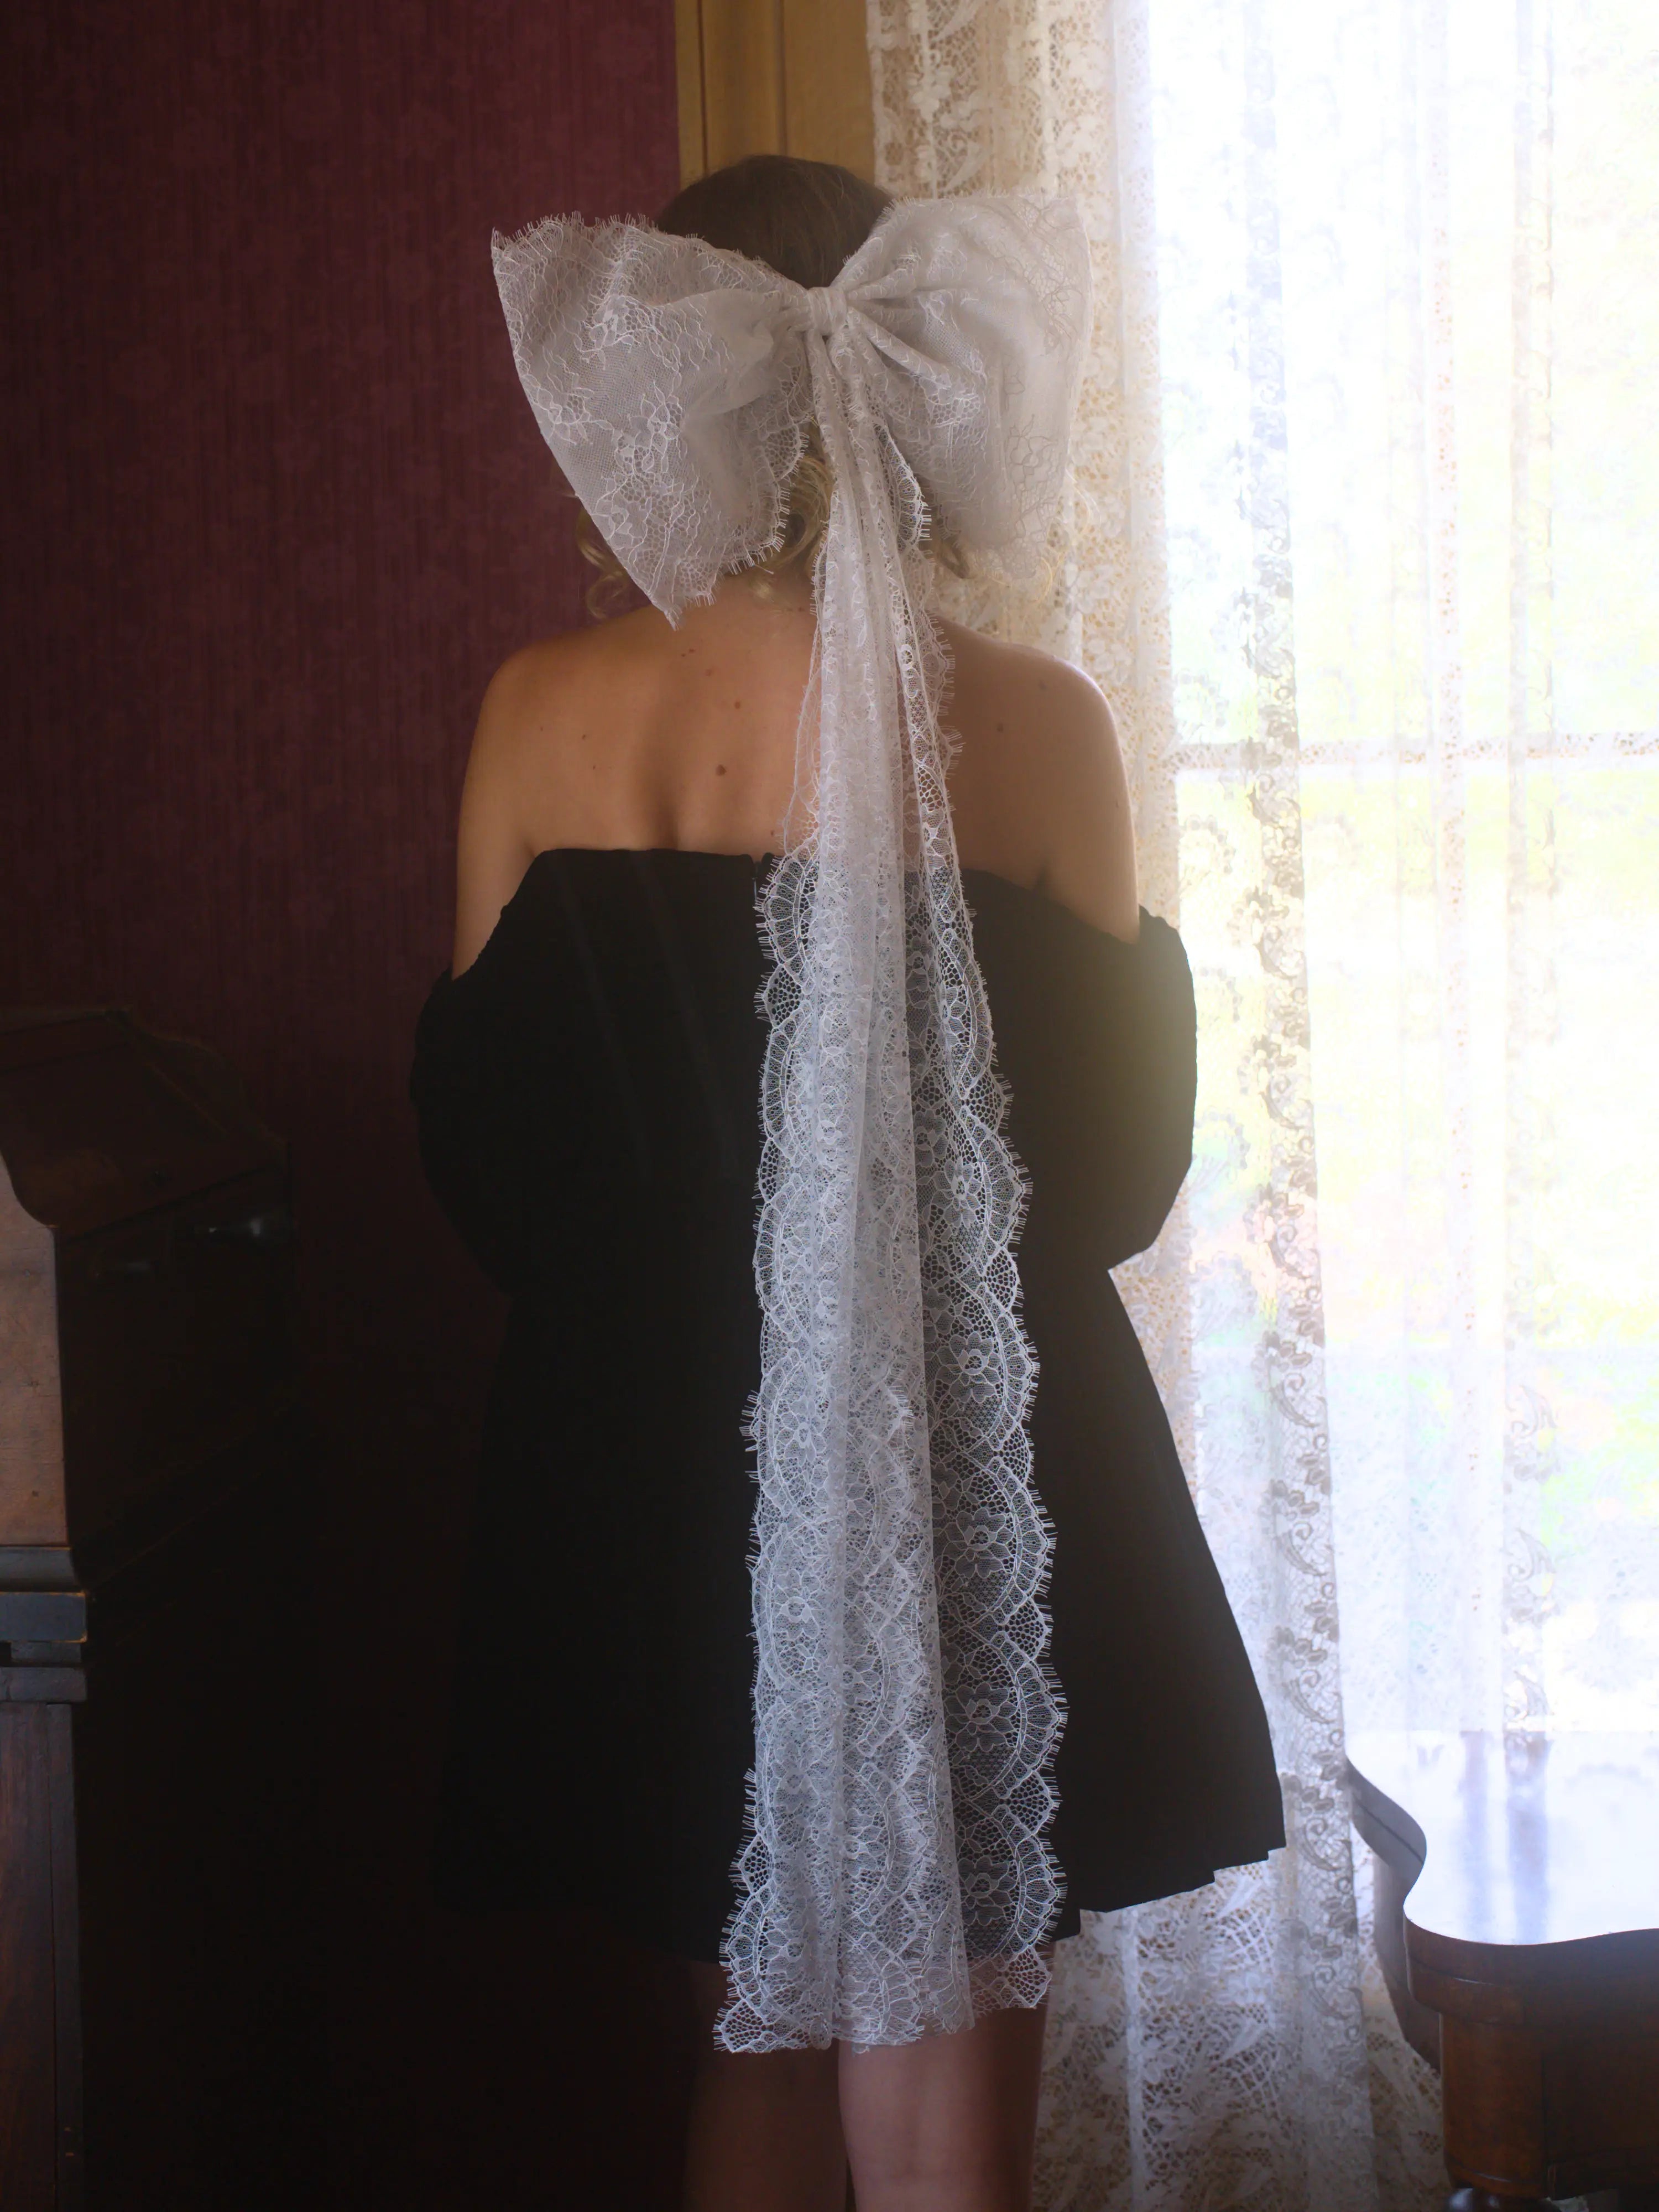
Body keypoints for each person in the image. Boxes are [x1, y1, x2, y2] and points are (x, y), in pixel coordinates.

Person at [410, 155, 1282, 2212]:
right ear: (919, 378)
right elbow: (1125, 1174)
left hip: (652, 1492)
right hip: (982, 1477)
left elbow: (485, 1166)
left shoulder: (540, 719)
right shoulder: (1049, 731)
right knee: (950, 2083)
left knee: (761, 2039)